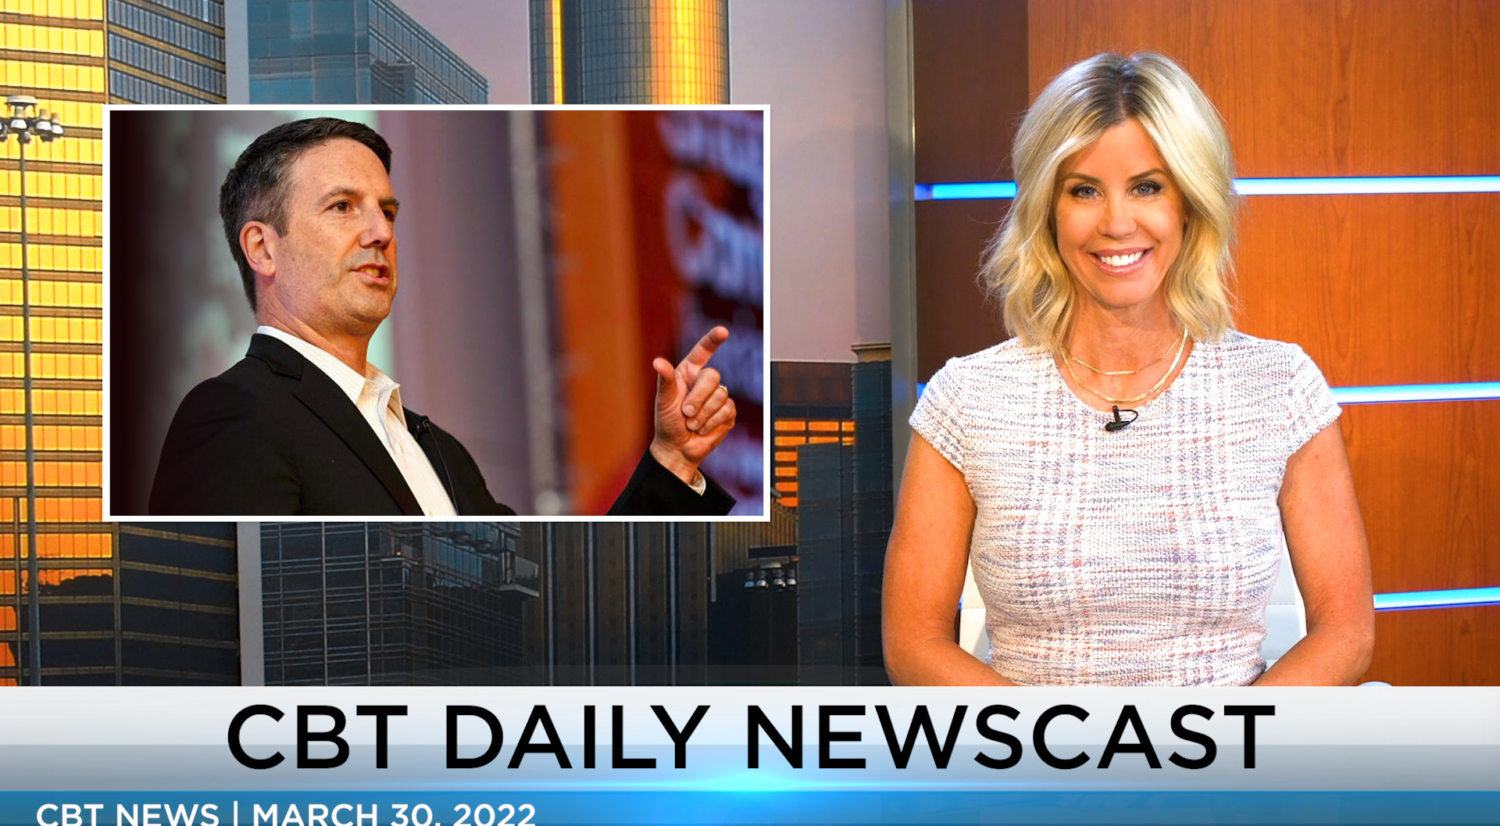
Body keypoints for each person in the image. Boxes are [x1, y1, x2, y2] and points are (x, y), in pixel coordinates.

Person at [883, 53, 1374, 686]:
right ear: (1047, 209)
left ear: (1190, 203)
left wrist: (1220, 743)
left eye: (1147, 187)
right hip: (1034, 745)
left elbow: (1346, 634)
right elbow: (913, 644)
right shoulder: (967, 399)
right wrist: (1068, 741)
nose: (1116, 223)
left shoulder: (1280, 386)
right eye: (1083, 190)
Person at [149, 117, 737, 517]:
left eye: (387, 211)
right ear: (262, 248)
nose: (380, 233)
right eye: (343, 207)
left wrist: (672, 461)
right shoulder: (235, 414)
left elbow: (561, 598)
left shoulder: (439, 452)